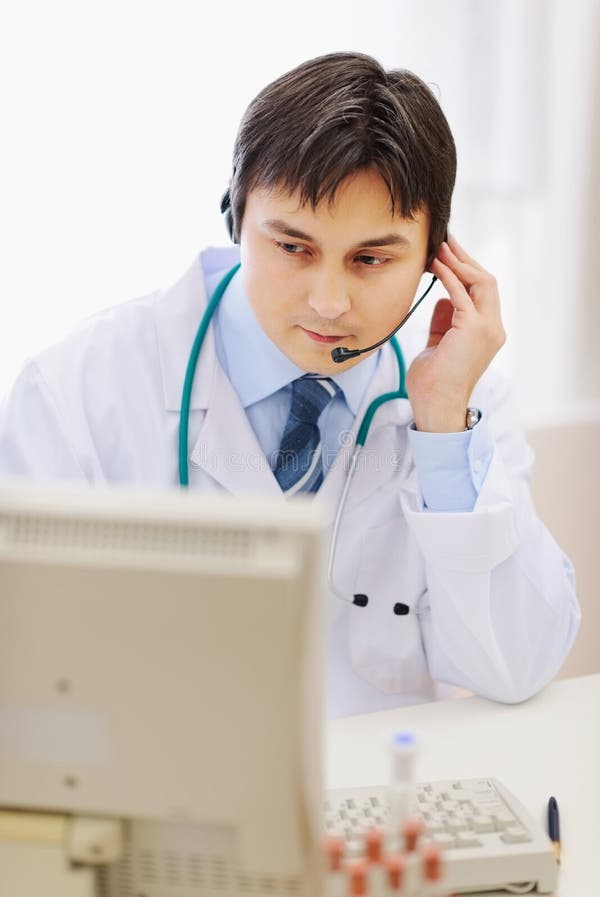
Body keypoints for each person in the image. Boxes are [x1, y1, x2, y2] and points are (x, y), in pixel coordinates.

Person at [0, 51, 580, 718]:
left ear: (434, 259)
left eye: (371, 259)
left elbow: (517, 668)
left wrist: (444, 428)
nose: (328, 302)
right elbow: (25, 667)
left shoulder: (463, 402)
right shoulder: (76, 392)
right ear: (235, 217)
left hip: (382, 779)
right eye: (293, 248)